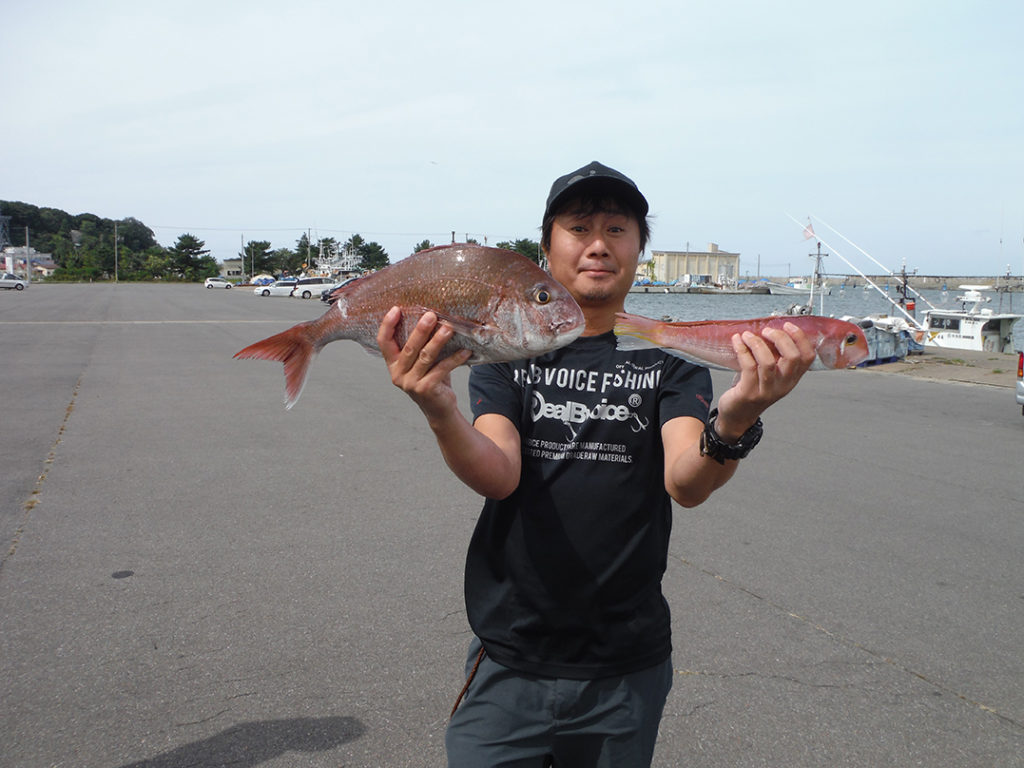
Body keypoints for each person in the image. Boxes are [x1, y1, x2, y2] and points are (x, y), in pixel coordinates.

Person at [376, 161, 815, 767]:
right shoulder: (506, 351)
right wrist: (438, 410)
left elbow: (686, 482)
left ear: (639, 250)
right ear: (547, 247)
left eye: (617, 229)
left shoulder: (668, 358)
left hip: (626, 667)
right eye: (579, 227)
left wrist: (734, 419)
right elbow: (499, 473)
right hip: (509, 657)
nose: (599, 245)